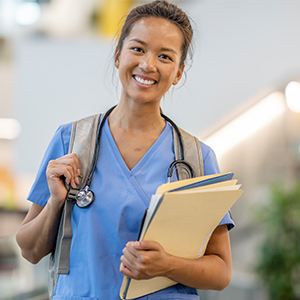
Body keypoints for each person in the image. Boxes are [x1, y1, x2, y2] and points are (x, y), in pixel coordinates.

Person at [16, 1, 235, 299]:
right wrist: (55, 203)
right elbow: (29, 250)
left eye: (165, 56)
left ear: (179, 72)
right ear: (118, 55)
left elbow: (221, 271)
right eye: (138, 49)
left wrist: (167, 265)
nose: (148, 64)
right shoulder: (71, 140)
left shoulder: (196, 157)